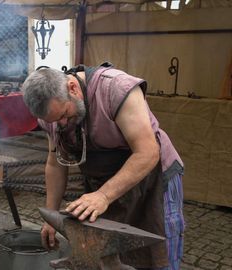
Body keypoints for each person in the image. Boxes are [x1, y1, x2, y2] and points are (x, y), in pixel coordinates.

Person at [21, 63, 184, 269]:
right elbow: (55, 164)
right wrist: (51, 215)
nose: (61, 124)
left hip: (153, 178)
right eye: (54, 121)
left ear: (72, 88)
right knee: (109, 258)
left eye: (63, 115)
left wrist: (103, 196)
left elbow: (148, 152)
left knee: (159, 254)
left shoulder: (116, 89)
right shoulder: (52, 116)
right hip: (105, 184)